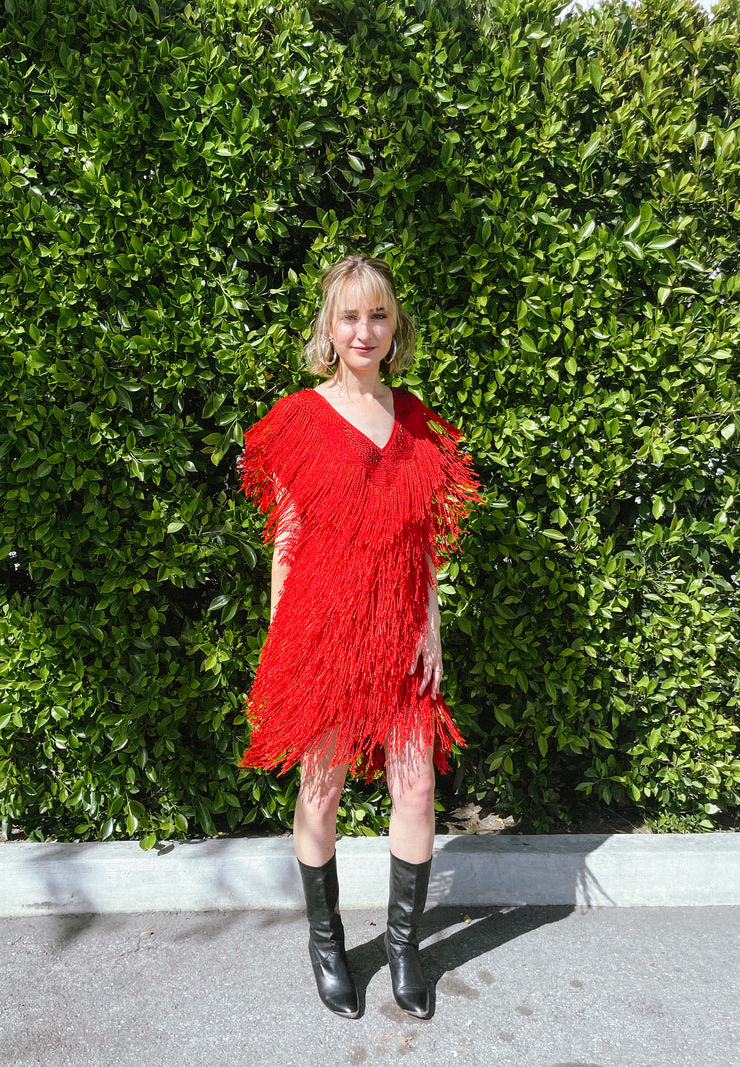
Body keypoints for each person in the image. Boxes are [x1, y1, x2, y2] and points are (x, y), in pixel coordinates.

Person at [238, 255, 479, 1019]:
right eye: (349, 316)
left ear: (393, 325)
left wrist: (431, 621)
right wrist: (287, 642)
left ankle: (405, 951)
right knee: (324, 788)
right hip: (326, 631)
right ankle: (328, 944)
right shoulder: (300, 419)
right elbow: (287, 539)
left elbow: (423, 538)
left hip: (401, 628)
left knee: (417, 788)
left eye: (377, 315)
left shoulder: (414, 421)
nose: (364, 330)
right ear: (329, 328)